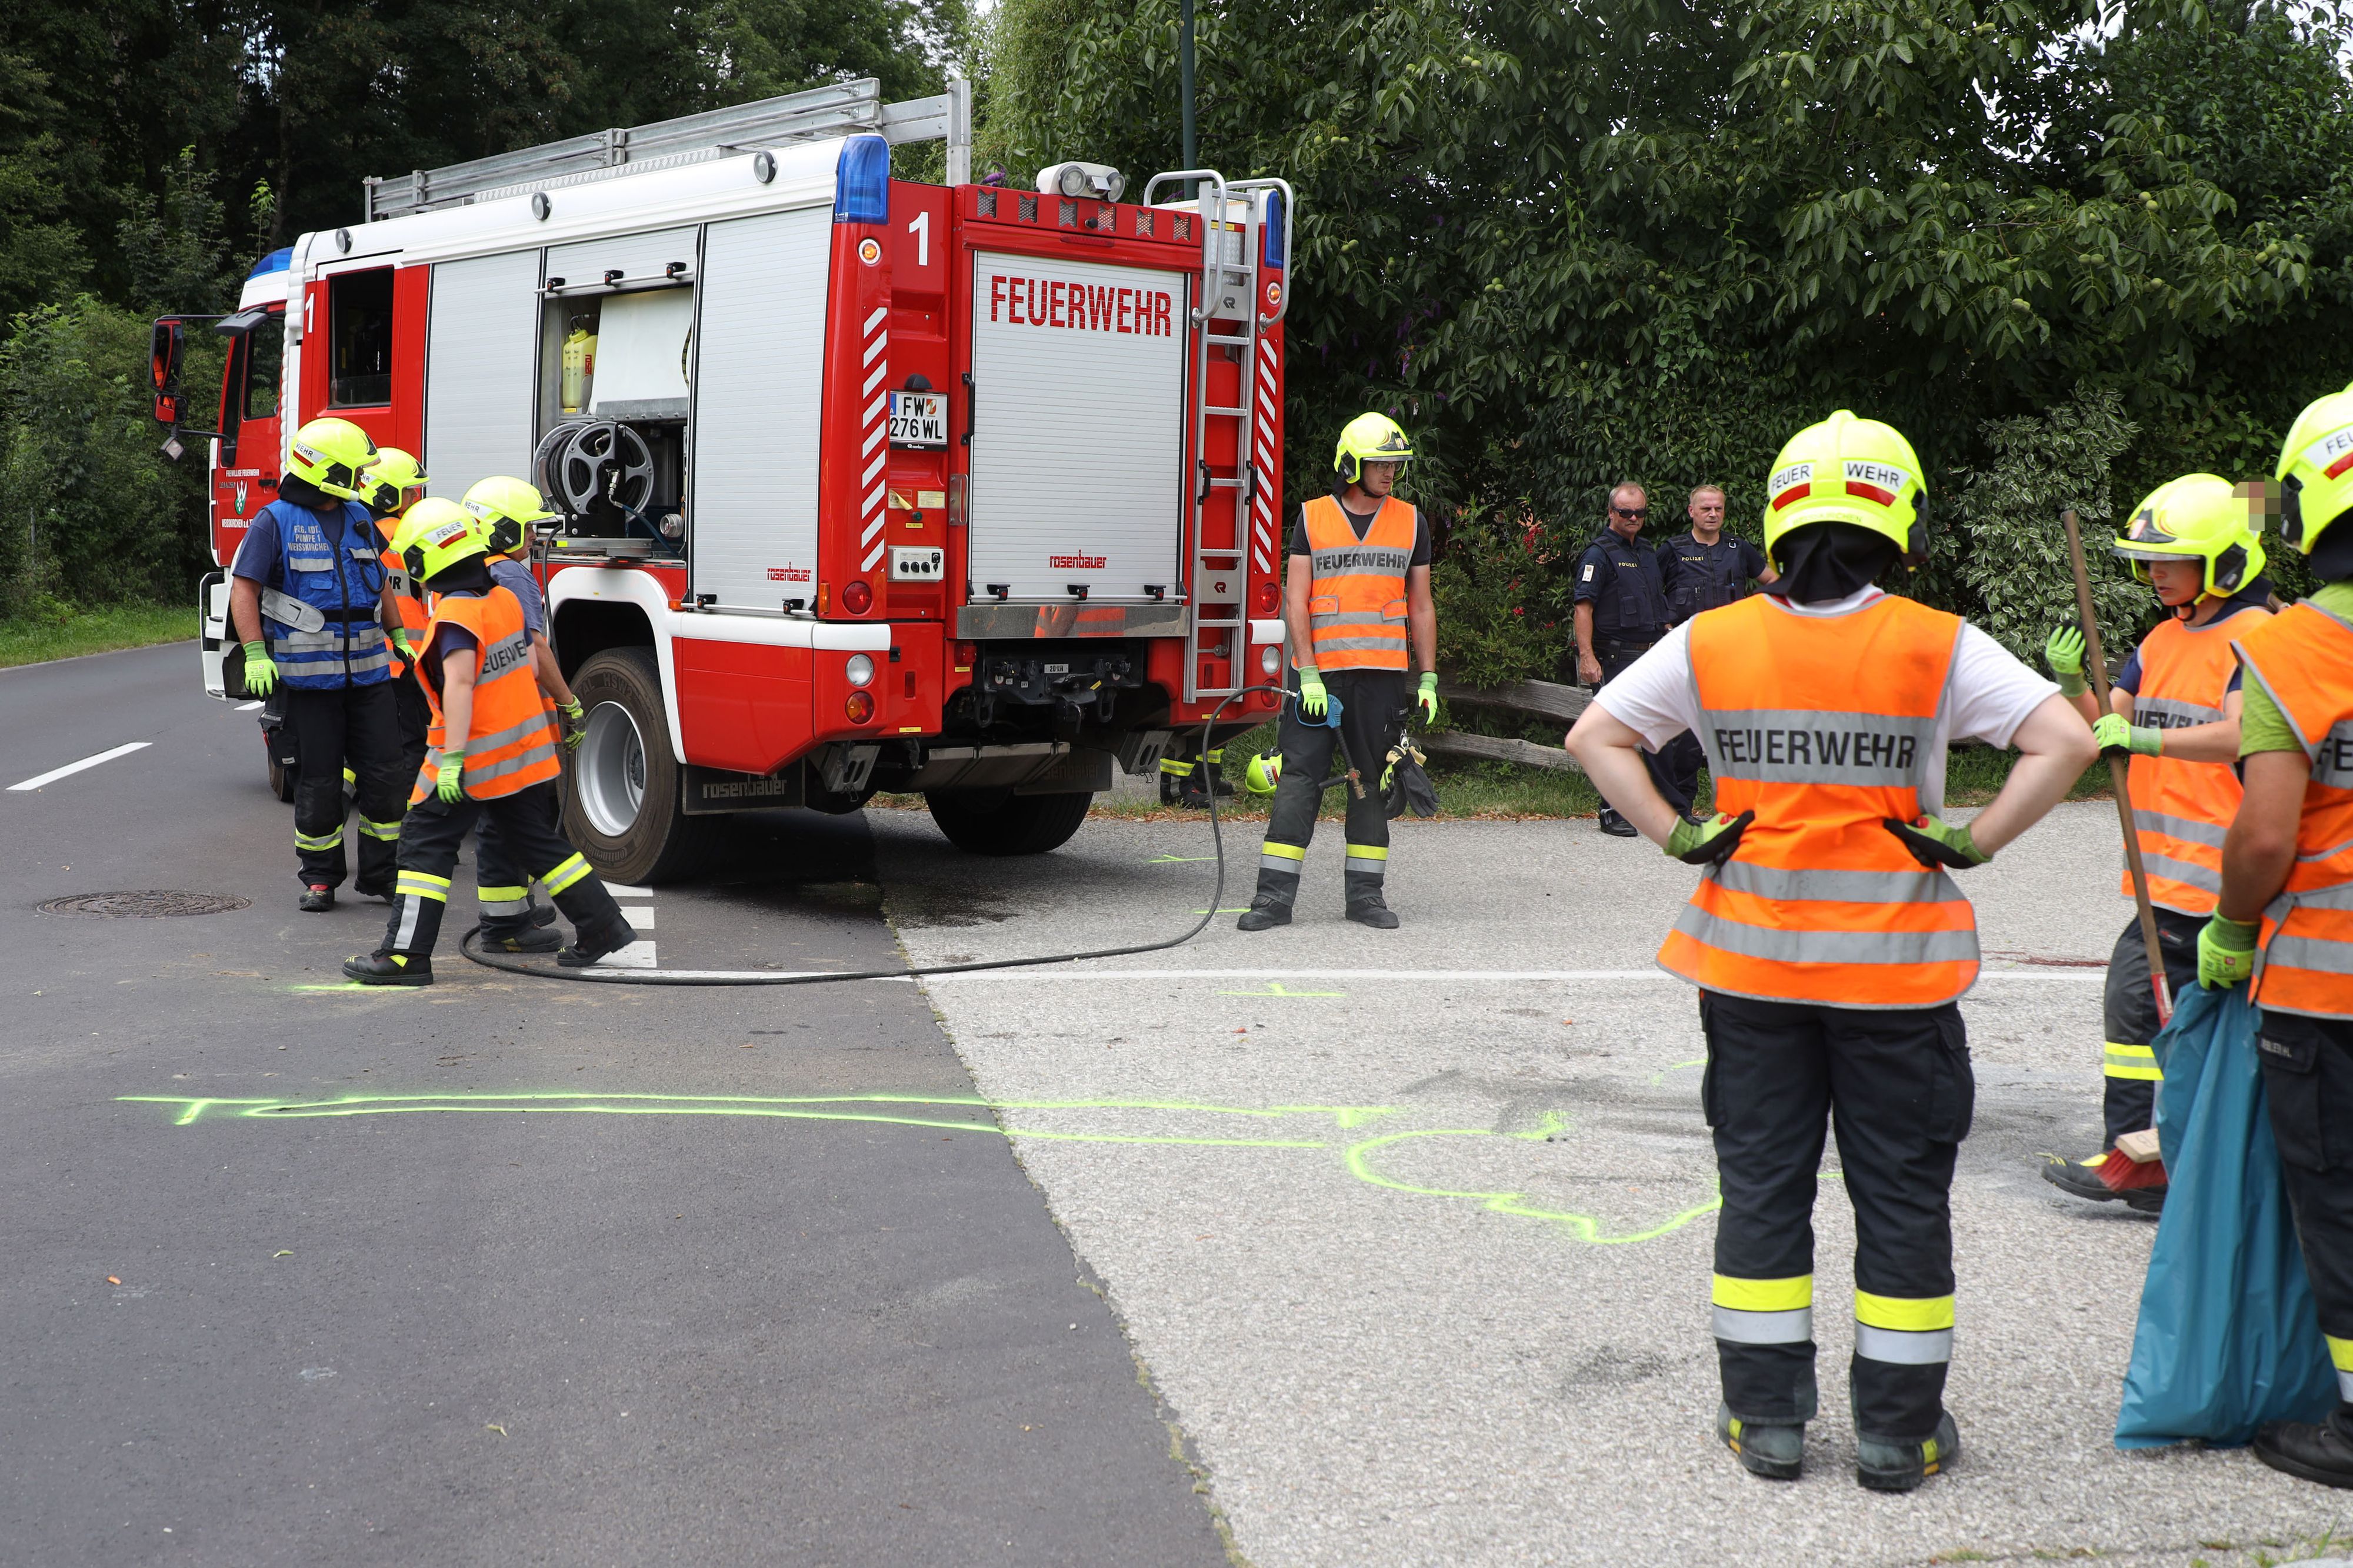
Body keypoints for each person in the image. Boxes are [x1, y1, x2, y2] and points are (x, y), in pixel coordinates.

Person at [1567, 409, 2097, 1491]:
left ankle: (1766, 1422)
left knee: (1763, 1185)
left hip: (1753, 970)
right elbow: (2068, 739)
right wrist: (1974, 840)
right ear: (1895, 519)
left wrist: (1678, 835)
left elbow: (1597, 736)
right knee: (1901, 1195)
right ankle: (1899, 1434)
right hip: (1898, 978)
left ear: (1778, 515)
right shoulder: (1935, 641)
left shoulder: (1716, 638)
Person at [2039, 475, 2272, 1214]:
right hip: (2163, 885)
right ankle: (2136, 1157)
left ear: (2226, 563)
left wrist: (2147, 737)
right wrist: (2075, 682)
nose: (2153, 573)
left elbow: (2239, 733)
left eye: (2169, 560)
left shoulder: (2259, 636)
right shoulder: (2160, 639)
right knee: (2134, 1011)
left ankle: (2206, 1161)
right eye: (2145, 561)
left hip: (2232, 884)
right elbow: (2100, 727)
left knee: (2227, 1030)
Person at [2202, 379, 2353, 1489]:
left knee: (2341, 1205)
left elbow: (2263, 833)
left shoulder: (2297, 648)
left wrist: (2228, 926)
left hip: (2325, 988)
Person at [344, 499, 633, 985]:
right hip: (519, 758)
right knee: (539, 844)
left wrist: (453, 758)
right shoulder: (502, 600)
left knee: (423, 847)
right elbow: (534, 660)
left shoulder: (456, 615)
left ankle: (404, 956)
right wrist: (566, 705)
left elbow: (458, 686)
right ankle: (603, 926)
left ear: (423, 563)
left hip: (471, 759)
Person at [1237, 411, 1437, 931]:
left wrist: (1429, 676)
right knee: (1299, 782)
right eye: (1380, 464)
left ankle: (1366, 898)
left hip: (1382, 678)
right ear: (1352, 464)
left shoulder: (1412, 521)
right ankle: (1273, 900)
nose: (1390, 473)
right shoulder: (1313, 517)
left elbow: (1421, 606)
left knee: (1368, 781)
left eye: (1396, 465)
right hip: (1320, 679)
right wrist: (1306, 674)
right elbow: (1295, 601)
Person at [228, 416, 408, 912]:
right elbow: (244, 588)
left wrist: (397, 634)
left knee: (388, 778)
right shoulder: (275, 521)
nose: (362, 480)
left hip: (370, 676)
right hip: (311, 684)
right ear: (326, 471)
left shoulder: (359, 517)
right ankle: (321, 879)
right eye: (355, 471)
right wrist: (256, 652)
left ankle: (381, 876)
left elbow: (383, 582)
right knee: (321, 782)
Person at [460, 476, 588, 953]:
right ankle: (506, 926)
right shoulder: (511, 575)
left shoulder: (469, 569)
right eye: (528, 530)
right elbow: (534, 646)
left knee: (506, 819)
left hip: (485, 718)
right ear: (502, 529)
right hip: (515, 721)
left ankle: (513, 913)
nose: (534, 540)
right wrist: (568, 702)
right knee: (514, 821)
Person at [1656, 485, 1779, 815]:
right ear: (1691, 512)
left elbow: (1774, 581)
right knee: (1685, 731)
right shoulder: (1673, 549)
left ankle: (1742, 804)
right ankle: (1679, 805)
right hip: (1687, 649)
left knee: (1735, 726)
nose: (1713, 514)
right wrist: (1664, 625)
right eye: (1706, 509)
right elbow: (1650, 590)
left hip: (1732, 651)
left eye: (1718, 509)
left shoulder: (1739, 548)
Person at [1574, 482, 1678, 833]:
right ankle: (1611, 812)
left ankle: (1664, 811)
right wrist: (1587, 657)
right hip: (1614, 656)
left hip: (1650, 655)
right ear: (1611, 513)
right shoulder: (1598, 554)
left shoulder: (1648, 551)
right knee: (1615, 737)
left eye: (1640, 513)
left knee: (1659, 732)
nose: (1633, 518)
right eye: (1625, 512)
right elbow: (1583, 608)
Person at [362, 447, 435, 791]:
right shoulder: (409, 535)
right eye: (410, 491)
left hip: (371, 661)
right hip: (408, 660)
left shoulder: (357, 533)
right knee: (412, 743)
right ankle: (407, 818)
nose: (415, 498)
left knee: (374, 742)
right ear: (386, 493)